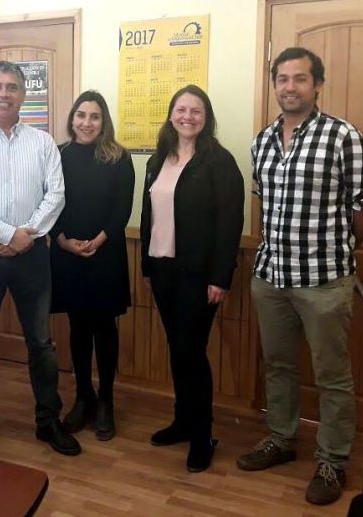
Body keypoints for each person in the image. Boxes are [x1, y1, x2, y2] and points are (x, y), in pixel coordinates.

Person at [238, 47, 363, 506]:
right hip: (271, 277)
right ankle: (281, 439)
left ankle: (332, 460)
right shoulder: (262, 141)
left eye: (300, 79)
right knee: (278, 367)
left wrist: (337, 250)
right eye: (282, 79)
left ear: (317, 85)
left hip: (324, 281)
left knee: (332, 376)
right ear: (274, 85)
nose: (290, 87)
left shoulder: (342, 136)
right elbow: (266, 203)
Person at [0, 60, 80, 456]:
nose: (3, 93)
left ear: (24, 94)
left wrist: (27, 236)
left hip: (32, 257)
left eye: (11, 87)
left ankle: (47, 422)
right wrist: (9, 235)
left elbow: (55, 195)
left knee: (41, 344)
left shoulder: (42, 144)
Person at [140, 85, 244, 473]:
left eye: (196, 110)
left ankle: (203, 436)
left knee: (191, 353)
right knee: (176, 348)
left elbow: (231, 222)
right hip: (163, 271)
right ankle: (183, 421)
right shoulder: (157, 160)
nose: (187, 116)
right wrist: (148, 267)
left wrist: (221, 277)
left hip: (199, 278)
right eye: (181, 109)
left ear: (206, 117)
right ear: (171, 115)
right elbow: (149, 214)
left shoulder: (219, 161)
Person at [50, 90, 134, 441]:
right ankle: (83, 397)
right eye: (81, 115)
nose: (87, 122)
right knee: (78, 328)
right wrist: (62, 240)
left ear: (104, 122)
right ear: (72, 119)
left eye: (94, 116)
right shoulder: (57, 154)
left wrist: (99, 240)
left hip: (106, 254)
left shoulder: (119, 157)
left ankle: (106, 401)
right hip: (67, 255)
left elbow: (122, 208)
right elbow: (48, 202)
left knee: (105, 329)